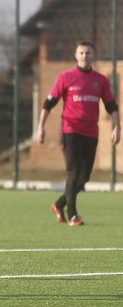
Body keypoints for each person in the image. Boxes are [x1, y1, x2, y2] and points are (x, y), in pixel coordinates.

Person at [36, 40, 120, 227]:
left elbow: (111, 106)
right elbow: (48, 104)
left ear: (93, 55)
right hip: (70, 130)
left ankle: (59, 204)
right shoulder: (65, 77)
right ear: (76, 55)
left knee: (84, 177)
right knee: (74, 172)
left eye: (88, 53)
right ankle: (72, 214)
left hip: (91, 132)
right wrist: (41, 126)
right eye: (81, 53)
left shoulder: (101, 80)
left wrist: (117, 127)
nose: (85, 56)